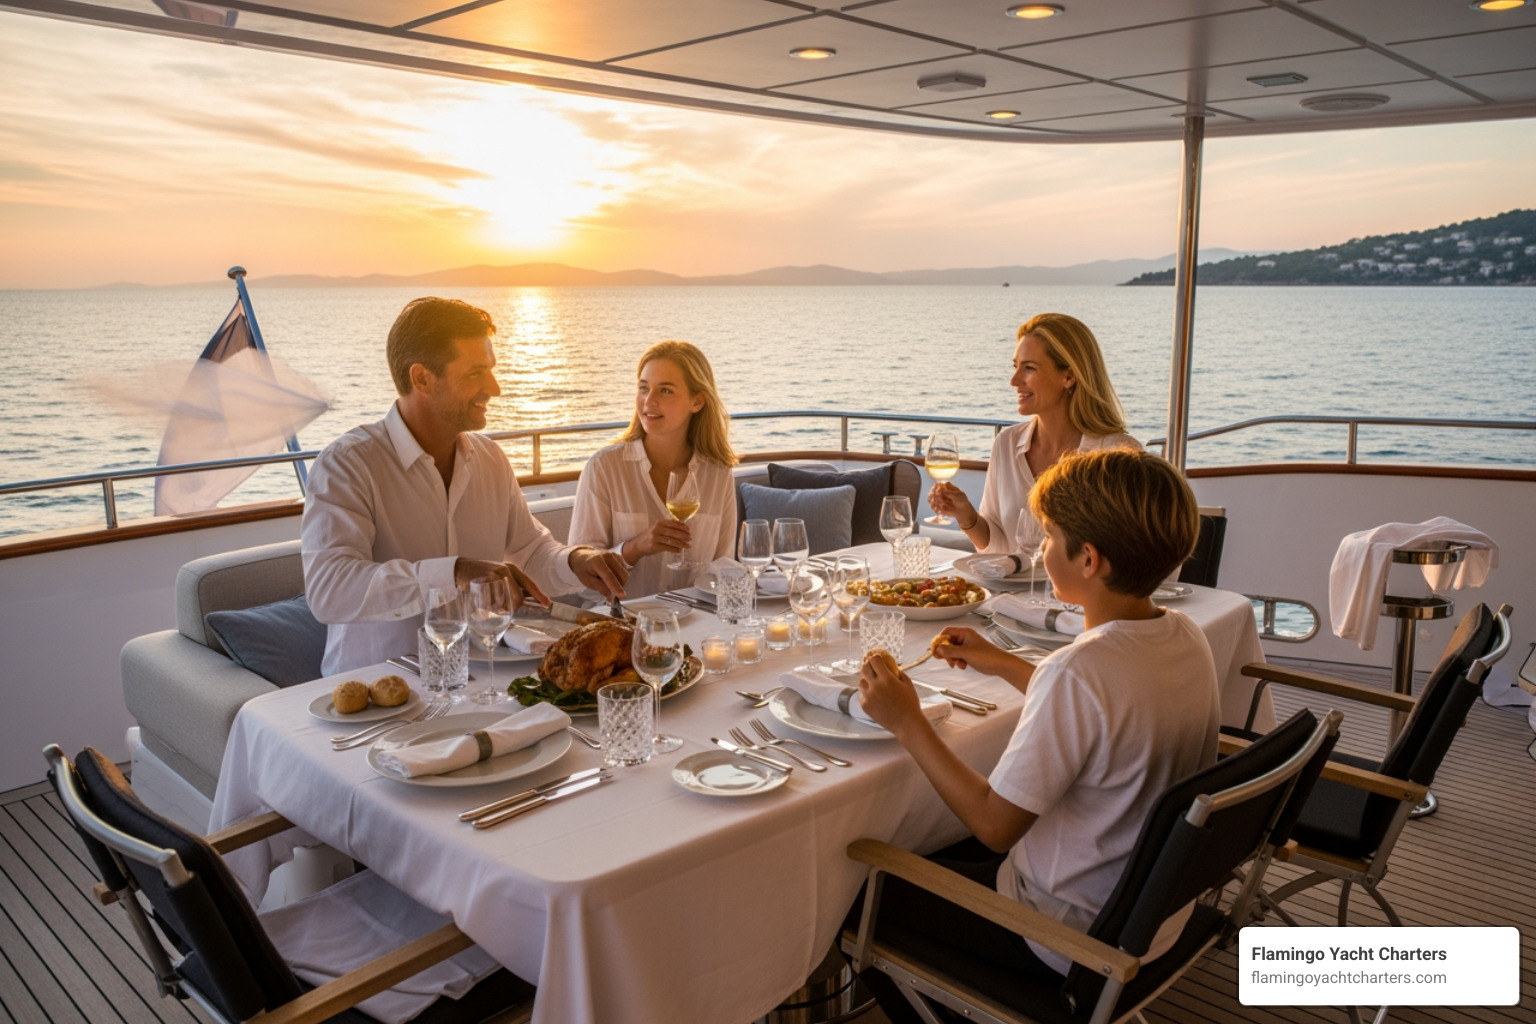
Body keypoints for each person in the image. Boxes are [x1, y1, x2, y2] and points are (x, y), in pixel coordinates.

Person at [854, 448, 1220, 1019]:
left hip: (1060, 938)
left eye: (1048, 538)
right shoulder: (1185, 637)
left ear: (1089, 559)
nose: (1042, 550)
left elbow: (995, 825)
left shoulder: (1079, 670)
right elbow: (1107, 709)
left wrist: (908, 721)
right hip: (1152, 919)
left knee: (856, 887)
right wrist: (1002, 663)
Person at [302, 297, 628, 675]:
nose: (495, 388)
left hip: (479, 682)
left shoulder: (490, 459)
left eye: (490, 370)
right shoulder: (347, 464)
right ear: (421, 378)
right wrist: (454, 572)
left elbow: (530, 551)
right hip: (377, 695)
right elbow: (330, 591)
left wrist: (575, 561)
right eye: (475, 373)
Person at [929, 312, 1138, 556]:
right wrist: (967, 516)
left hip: (1075, 596)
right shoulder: (1006, 444)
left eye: (1029, 368)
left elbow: (1131, 560)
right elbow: (998, 549)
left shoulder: (1118, 454)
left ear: (1069, 376)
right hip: (1011, 592)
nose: (1014, 380)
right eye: (1016, 367)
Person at [568, 340, 738, 598]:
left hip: (695, 625)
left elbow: (724, 569)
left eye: (665, 391)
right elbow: (580, 580)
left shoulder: (718, 475)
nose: (649, 401)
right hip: (621, 623)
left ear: (697, 401)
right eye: (643, 388)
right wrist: (636, 547)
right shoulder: (604, 468)